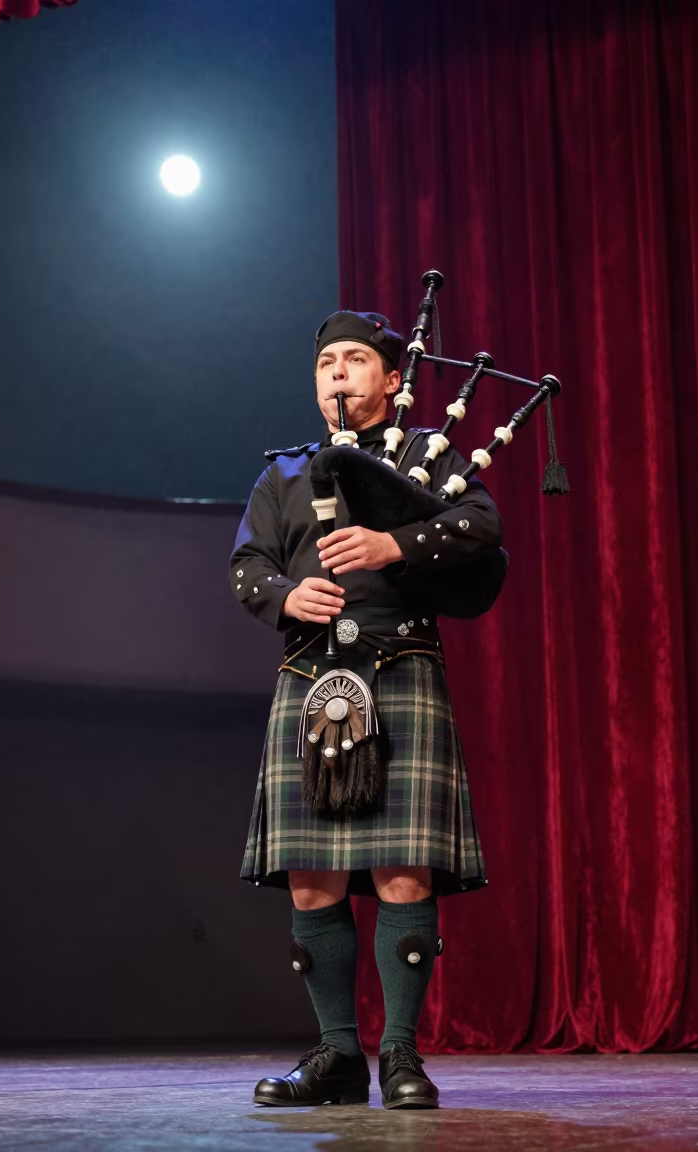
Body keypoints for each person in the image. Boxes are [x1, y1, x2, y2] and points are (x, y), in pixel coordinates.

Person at [230, 310, 503, 1110]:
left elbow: (483, 526)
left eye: (355, 360)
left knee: (401, 872)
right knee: (313, 879)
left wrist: (395, 545)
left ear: (391, 379)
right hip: (311, 678)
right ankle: (337, 1058)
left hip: (400, 669)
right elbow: (247, 565)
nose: (338, 373)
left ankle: (402, 1058)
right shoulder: (283, 473)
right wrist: (288, 594)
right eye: (326, 363)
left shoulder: (428, 458)